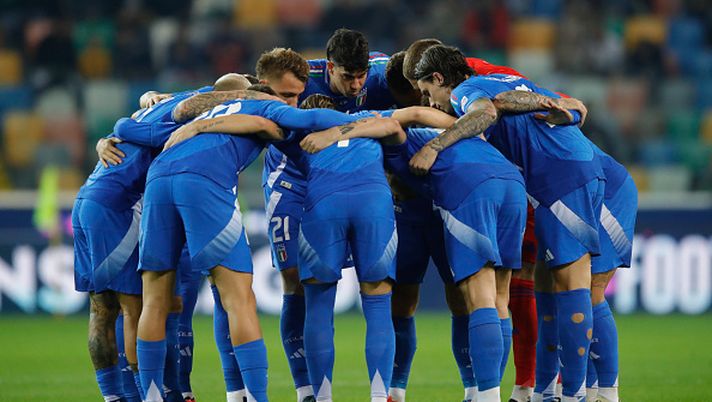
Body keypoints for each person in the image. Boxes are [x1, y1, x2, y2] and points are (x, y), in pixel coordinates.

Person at [412, 44, 605, 402]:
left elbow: (485, 112)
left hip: (559, 178)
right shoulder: (510, 80)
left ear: (439, 78)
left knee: (572, 285)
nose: (430, 101)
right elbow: (577, 106)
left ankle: (576, 394)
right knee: (551, 286)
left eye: (427, 91)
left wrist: (435, 145)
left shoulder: (466, 90)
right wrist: (561, 112)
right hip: (574, 171)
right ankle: (552, 390)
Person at [300, 113, 527, 402]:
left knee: (466, 299)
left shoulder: (409, 120)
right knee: (403, 302)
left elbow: (416, 114)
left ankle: (475, 390)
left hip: (448, 210)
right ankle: (396, 391)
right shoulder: (383, 127)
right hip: (408, 216)